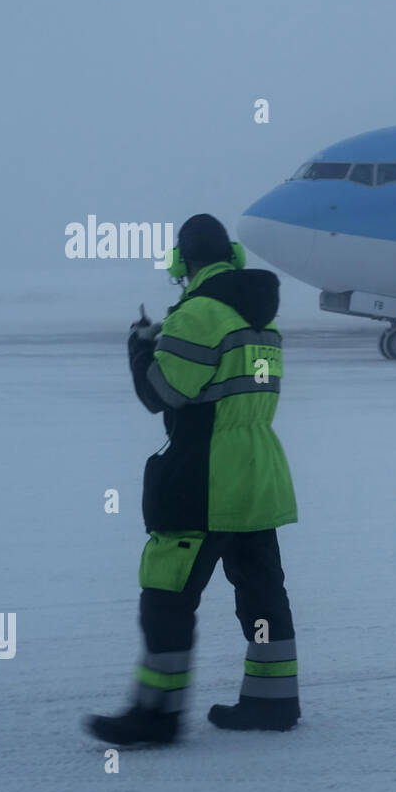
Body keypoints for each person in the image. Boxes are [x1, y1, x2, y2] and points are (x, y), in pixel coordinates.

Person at [86, 213, 300, 745]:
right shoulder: (262, 319)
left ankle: (156, 716)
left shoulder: (198, 314)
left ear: (185, 261)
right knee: (262, 592)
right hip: (259, 474)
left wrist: (141, 347)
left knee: (166, 594)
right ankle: (272, 704)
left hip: (203, 479)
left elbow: (161, 393)